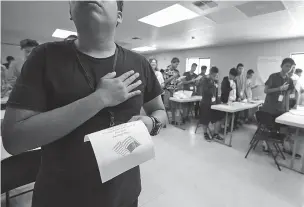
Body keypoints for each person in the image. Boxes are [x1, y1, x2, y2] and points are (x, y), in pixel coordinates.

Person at [2, 1, 167, 207]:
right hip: (60, 198)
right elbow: (14, 140)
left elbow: (160, 112)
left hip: (124, 195)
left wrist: (151, 123)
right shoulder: (44, 57)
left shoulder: (140, 63)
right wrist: (99, 99)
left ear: (119, 16)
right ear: (71, 12)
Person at [261, 58, 301, 158]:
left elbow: (287, 95)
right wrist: (279, 89)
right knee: (269, 127)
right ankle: (265, 144)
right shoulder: (273, 76)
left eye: (290, 67)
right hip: (269, 107)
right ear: (282, 66)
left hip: (281, 109)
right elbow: (266, 90)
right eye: (287, 66)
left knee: (284, 128)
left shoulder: (289, 80)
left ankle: (285, 147)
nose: (288, 68)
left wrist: (287, 110)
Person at [199, 66, 224, 142]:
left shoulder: (215, 81)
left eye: (216, 75)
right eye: (214, 75)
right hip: (206, 102)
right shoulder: (204, 80)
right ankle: (205, 133)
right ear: (210, 73)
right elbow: (205, 91)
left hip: (214, 103)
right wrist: (211, 83)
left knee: (218, 118)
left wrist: (217, 101)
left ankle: (215, 134)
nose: (215, 77)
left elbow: (216, 92)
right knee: (205, 119)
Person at [163, 57, 181, 124]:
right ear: (172, 63)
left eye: (177, 64)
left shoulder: (177, 71)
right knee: (167, 107)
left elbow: (177, 81)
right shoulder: (166, 71)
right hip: (167, 90)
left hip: (174, 91)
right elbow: (165, 81)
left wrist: (179, 81)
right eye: (176, 64)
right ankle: (166, 121)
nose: (177, 66)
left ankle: (174, 120)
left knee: (174, 107)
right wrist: (173, 76)